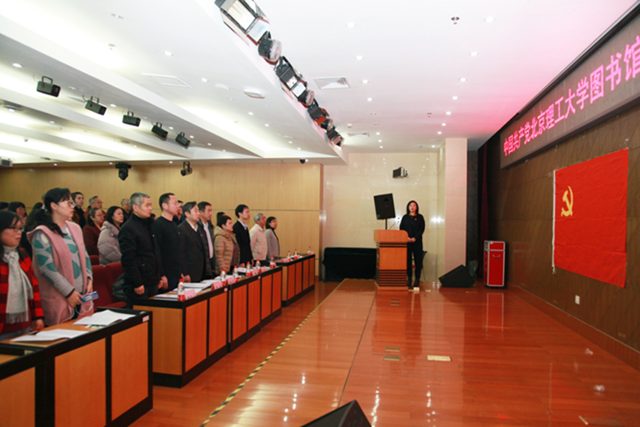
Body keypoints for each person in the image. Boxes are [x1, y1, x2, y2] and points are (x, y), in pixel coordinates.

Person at [26, 188, 94, 325]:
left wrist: (89, 278)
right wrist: (69, 293)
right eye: (68, 203)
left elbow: (85, 255)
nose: (72, 206)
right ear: (54, 206)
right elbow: (47, 268)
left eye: (72, 203)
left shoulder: (75, 228)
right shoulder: (42, 233)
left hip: (81, 294)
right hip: (60, 296)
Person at [0, 211, 45, 341]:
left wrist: (37, 317)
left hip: (24, 324)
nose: (19, 232)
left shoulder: (22, 254)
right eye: (14, 228)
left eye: (20, 228)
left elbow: (34, 286)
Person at [118, 193, 164, 306]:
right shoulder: (128, 228)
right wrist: (137, 282)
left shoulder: (150, 225)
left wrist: (159, 276)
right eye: (147, 205)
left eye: (150, 205)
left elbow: (156, 252)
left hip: (152, 280)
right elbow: (128, 259)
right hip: (140, 283)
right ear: (135, 208)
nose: (150, 208)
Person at [153, 193, 184, 291]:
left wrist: (180, 272)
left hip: (176, 273)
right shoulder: (157, 225)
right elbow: (157, 251)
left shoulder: (174, 224)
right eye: (175, 203)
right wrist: (161, 275)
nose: (178, 206)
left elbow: (177, 251)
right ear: (164, 206)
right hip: (166, 274)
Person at [179, 202, 212, 282]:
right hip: (190, 272)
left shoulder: (200, 229)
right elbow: (181, 253)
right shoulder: (182, 229)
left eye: (198, 211)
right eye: (195, 211)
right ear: (187, 214)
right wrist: (185, 273)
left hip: (202, 271)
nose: (198, 213)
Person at [400, 200, 425, 291]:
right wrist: (407, 237)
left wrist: (415, 238)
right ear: (408, 207)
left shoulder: (420, 217)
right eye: (410, 205)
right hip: (407, 242)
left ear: (416, 207)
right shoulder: (405, 217)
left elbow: (422, 229)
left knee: (418, 261)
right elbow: (401, 228)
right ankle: (409, 279)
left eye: (414, 205)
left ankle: (417, 279)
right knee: (408, 261)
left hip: (417, 242)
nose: (412, 207)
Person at [198, 201, 215, 270]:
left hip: (210, 262)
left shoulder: (210, 226)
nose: (211, 213)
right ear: (200, 212)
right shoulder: (198, 227)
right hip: (202, 264)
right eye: (208, 211)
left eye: (211, 211)